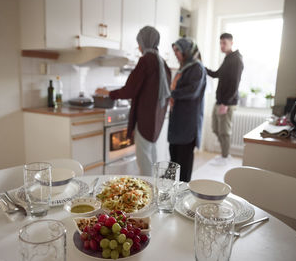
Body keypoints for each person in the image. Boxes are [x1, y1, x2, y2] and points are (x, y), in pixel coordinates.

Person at [95, 26, 171, 176]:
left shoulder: (146, 61)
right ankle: (155, 188)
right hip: (156, 118)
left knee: (144, 161)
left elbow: (130, 89)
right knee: (151, 156)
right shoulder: (162, 62)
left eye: (139, 43)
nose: (138, 47)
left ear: (143, 43)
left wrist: (108, 93)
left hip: (145, 117)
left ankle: (148, 194)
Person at [169, 38, 206, 182]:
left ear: (187, 50)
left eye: (178, 50)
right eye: (174, 51)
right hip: (177, 120)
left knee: (184, 164)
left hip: (188, 122)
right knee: (174, 158)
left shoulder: (197, 67)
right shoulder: (183, 67)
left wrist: (170, 93)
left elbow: (192, 92)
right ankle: (169, 192)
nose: (176, 54)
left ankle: (183, 193)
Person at [206, 33, 244, 165]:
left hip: (227, 103)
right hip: (220, 101)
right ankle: (224, 155)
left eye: (224, 43)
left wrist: (225, 103)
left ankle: (225, 156)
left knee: (224, 132)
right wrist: (202, 68)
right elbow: (217, 74)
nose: (222, 46)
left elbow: (235, 84)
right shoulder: (228, 58)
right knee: (216, 128)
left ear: (231, 43)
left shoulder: (236, 59)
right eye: (220, 43)